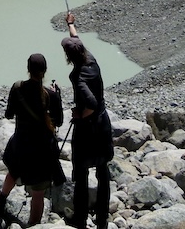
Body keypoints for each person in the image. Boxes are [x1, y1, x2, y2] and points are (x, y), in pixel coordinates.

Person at [0, 53, 64, 228]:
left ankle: (1, 199)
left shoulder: (17, 88)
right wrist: (57, 97)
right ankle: (34, 224)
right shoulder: (51, 95)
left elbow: (9, 114)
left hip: (21, 144)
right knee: (38, 192)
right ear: (45, 71)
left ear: (28, 69)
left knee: (13, 172)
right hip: (42, 151)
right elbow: (59, 121)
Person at [62, 12, 114, 229]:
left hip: (87, 129)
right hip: (103, 124)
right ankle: (102, 219)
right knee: (103, 171)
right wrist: (71, 25)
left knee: (81, 173)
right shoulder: (90, 59)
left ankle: (80, 218)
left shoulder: (80, 76)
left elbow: (90, 103)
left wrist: (78, 115)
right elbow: (77, 42)